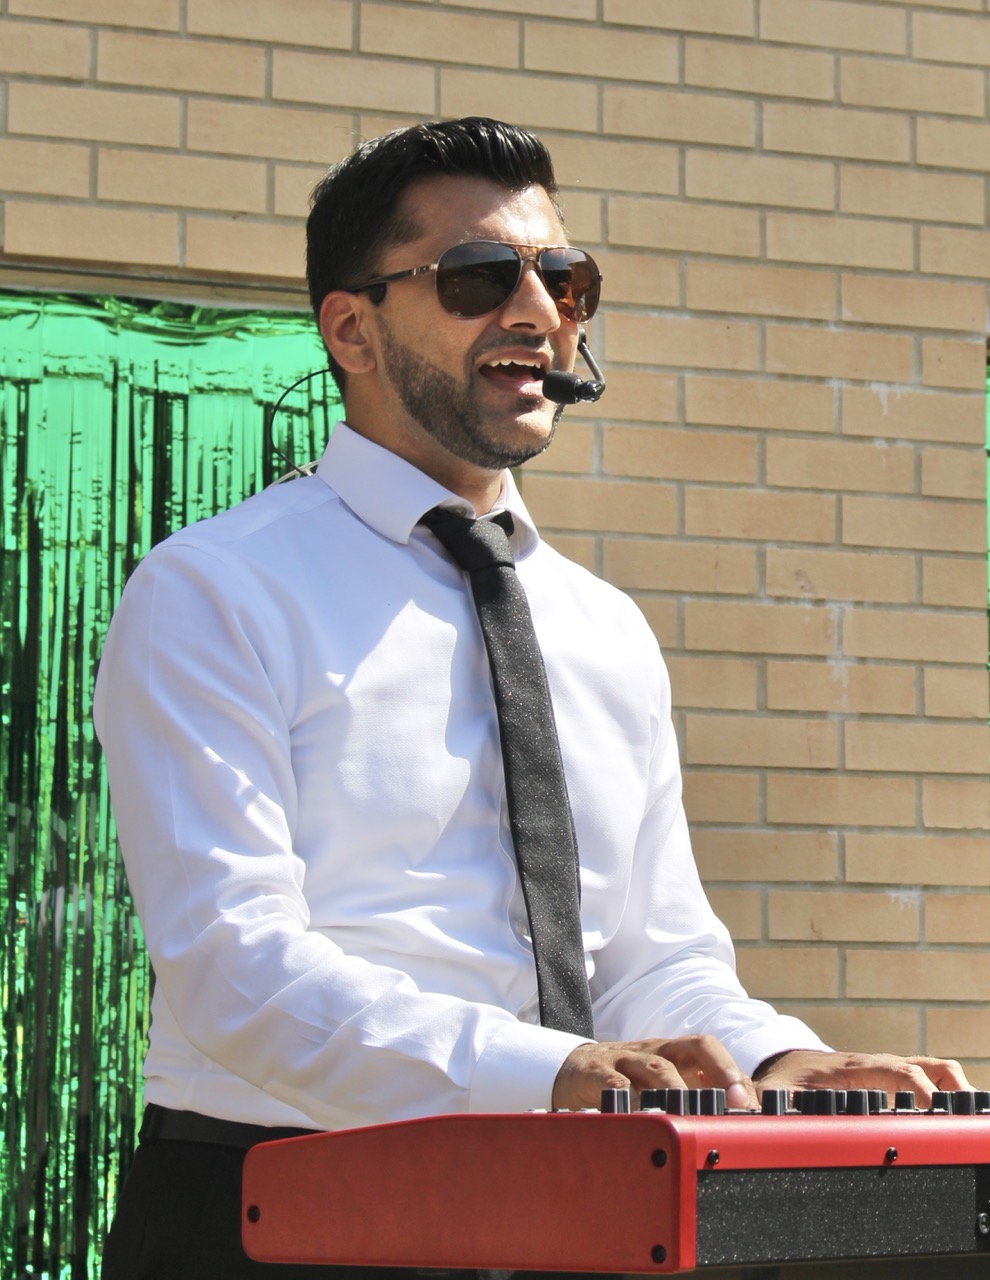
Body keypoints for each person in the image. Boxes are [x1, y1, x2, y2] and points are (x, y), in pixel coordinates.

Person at [94, 117, 969, 1279]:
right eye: (477, 277)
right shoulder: (214, 590)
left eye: (564, 276)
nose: (539, 310)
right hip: (279, 1210)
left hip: (579, 1211)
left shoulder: (604, 628)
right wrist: (543, 1072)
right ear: (350, 327)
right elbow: (232, 963)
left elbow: (657, 953)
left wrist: (778, 1065)